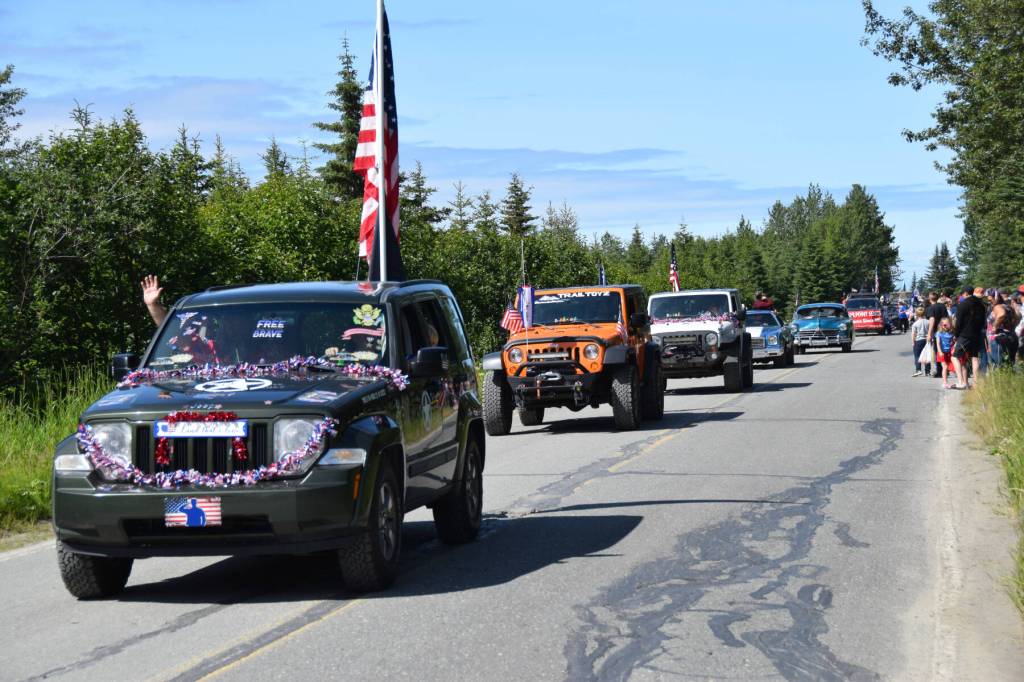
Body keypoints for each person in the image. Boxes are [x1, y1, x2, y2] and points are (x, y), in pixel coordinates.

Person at [952, 286, 987, 388]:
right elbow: (983, 321)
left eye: (962, 294)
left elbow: (958, 322)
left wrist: (956, 335)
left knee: (955, 357)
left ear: (965, 293)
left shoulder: (962, 304)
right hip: (977, 334)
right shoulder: (981, 304)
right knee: (974, 358)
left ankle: (961, 382)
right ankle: (975, 384)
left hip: (965, 334)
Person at [924, 291, 949, 378]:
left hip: (936, 332)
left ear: (929, 298)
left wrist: (929, 333)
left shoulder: (931, 308)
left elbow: (932, 320)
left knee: (938, 350)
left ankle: (940, 371)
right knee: (945, 349)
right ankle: (946, 369)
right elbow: (946, 318)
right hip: (945, 330)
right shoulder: (943, 306)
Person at [935, 318, 956, 388]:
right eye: (944, 325)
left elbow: (954, 341)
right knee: (945, 367)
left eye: (947, 324)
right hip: (942, 352)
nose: (945, 326)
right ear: (941, 325)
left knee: (951, 366)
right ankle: (945, 382)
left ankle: (957, 380)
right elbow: (937, 343)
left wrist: (953, 345)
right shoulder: (939, 333)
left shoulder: (951, 333)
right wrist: (940, 351)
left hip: (949, 352)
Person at [911, 307, 930, 377]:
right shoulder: (928, 322)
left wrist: (913, 342)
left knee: (917, 356)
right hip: (927, 340)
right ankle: (927, 371)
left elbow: (913, 334)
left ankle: (918, 370)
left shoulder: (915, 324)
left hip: (918, 340)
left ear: (916, 314)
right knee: (927, 355)